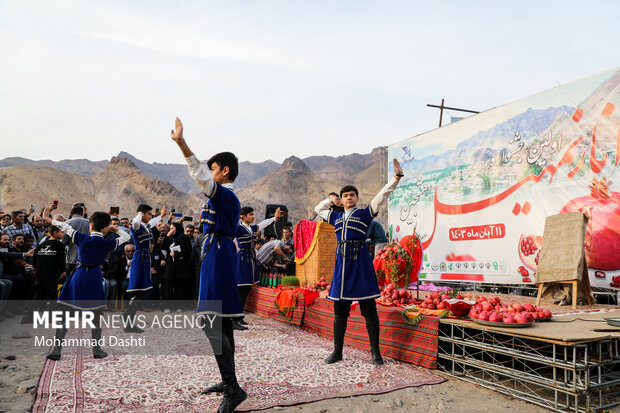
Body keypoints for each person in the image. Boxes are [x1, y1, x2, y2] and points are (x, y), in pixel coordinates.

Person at [171, 117, 247, 412]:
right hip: (215, 253)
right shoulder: (222, 198)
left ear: (224, 171)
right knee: (221, 321)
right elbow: (204, 174)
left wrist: (180, 143)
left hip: (219, 253)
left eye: (213, 168)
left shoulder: (224, 194)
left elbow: (199, 174)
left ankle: (232, 387)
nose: (209, 173)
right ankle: (229, 381)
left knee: (209, 319)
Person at [314, 158, 403, 365]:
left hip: (360, 264)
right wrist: (331, 200)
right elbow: (318, 209)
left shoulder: (365, 214)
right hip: (342, 266)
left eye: (351, 195)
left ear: (357, 198)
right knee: (340, 312)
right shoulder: (334, 217)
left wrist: (396, 177)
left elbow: (383, 195)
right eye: (344, 196)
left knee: (369, 310)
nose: (348, 198)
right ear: (341, 200)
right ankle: (337, 352)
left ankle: (375, 353)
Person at [42, 205, 130, 360]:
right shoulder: (108, 243)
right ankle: (96, 350)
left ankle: (57, 350)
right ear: (105, 228)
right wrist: (114, 229)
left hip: (80, 275)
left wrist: (47, 215)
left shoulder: (82, 238)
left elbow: (64, 226)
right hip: (95, 276)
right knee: (96, 314)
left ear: (91, 226)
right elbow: (126, 237)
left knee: (64, 311)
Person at [234, 206, 285, 330]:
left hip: (250, 260)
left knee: (246, 289)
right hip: (242, 260)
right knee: (240, 289)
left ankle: (240, 317)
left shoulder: (250, 228)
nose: (253, 216)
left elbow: (262, 224)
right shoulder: (238, 228)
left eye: (253, 214)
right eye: (251, 214)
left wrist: (274, 218)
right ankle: (233, 319)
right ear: (243, 216)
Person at [122, 204, 154, 333]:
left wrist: (161, 217)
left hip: (144, 258)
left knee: (141, 290)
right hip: (140, 258)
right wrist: (140, 213)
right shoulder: (136, 225)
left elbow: (151, 222)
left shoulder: (145, 226)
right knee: (138, 290)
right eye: (149, 214)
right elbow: (135, 221)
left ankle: (128, 319)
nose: (150, 217)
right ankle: (127, 318)